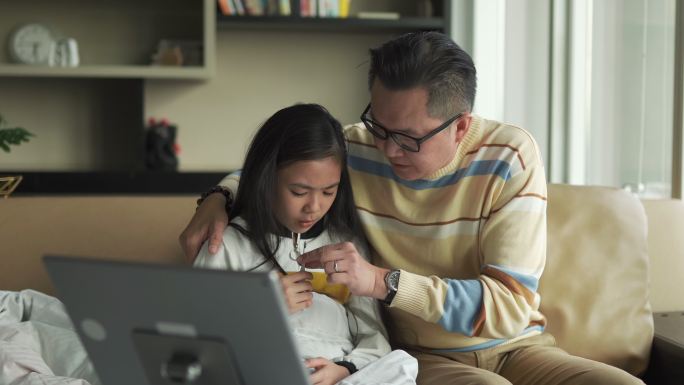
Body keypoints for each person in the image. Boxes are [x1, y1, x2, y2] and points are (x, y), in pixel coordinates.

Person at [182, 32, 643, 384]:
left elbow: (507, 308)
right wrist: (218, 197)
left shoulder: (509, 156)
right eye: (378, 126)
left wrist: (382, 282)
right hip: (423, 356)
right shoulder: (360, 148)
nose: (387, 148)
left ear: (461, 126)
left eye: (408, 139)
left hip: (517, 346)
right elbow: (286, 166)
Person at [193, 103, 418, 385]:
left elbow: (372, 336)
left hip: (337, 372)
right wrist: (260, 310)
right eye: (298, 192)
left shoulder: (346, 245)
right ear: (267, 177)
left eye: (328, 191)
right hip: (262, 369)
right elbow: (195, 334)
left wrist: (346, 368)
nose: (313, 207)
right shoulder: (228, 244)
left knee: (401, 366)